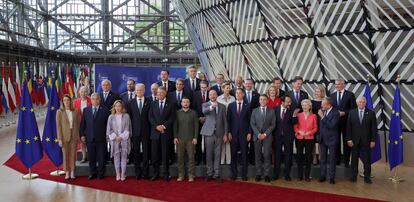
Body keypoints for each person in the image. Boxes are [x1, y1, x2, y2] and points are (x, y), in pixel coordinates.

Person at [346, 96, 377, 184]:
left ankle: (367, 177)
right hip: (354, 140)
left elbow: (373, 128)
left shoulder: (371, 113)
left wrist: (373, 140)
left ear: (366, 103)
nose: (362, 103)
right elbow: (348, 127)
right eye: (360, 102)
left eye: (363, 102)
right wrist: (349, 139)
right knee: (354, 159)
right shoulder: (352, 113)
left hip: (367, 140)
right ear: (357, 103)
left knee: (367, 159)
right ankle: (353, 176)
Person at [80, 93, 111, 180]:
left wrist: (108, 136)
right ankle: (92, 172)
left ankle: (100, 173)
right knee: (91, 156)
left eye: (97, 99)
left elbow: (108, 125)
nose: (95, 100)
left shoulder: (105, 110)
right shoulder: (86, 110)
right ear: (91, 100)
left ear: (100, 100)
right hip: (90, 137)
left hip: (101, 138)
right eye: (93, 99)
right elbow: (83, 124)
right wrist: (82, 135)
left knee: (101, 157)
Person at [148, 86, 176, 182]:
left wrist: (163, 126)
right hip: (155, 133)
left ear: (165, 93)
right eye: (158, 92)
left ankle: (165, 174)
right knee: (155, 154)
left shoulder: (171, 104)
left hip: (165, 132)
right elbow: (150, 117)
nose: (159, 94)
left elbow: (172, 118)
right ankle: (155, 173)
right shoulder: (153, 103)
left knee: (165, 154)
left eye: (161, 92)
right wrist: (157, 126)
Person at [201, 90, 227, 182]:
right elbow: (204, 111)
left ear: (217, 95)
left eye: (214, 94)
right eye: (210, 94)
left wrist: (225, 133)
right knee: (208, 154)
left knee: (218, 154)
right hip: (209, 133)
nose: (212, 96)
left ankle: (217, 174)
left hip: (219, 133)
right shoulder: (205, 104)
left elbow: (225, 121)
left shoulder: (222, 106)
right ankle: (209, 173)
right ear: (208, 96)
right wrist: (212, 106)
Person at [127, 83, 151, 180]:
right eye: (137, 90)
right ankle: (137, 172)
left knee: (146, 152)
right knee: (136, 152)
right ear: (135, 91)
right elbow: (129, 118)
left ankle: (145, 173)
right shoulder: (130, 102)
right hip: (135, 131)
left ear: (144, 91)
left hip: (146, 131)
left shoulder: (150, 101)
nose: (139, 92)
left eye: (141, 90)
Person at [330, 78, 356, 167]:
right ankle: (337, 159)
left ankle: (346, 161)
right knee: (336, 141)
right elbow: (331, 109)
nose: (337, 86)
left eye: (339, 84)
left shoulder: (350, 95)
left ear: (343, 84)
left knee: (346, 141)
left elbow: (353, 109)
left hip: (347, 122)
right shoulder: (332, 95)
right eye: (336, 84)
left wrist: (344, 113)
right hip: (335, 122)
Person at [250, 95, 276, 183]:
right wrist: (258, 134)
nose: (262, 101)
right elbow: (252, 123)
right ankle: (258, 174)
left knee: (266, 155)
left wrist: (265, 134)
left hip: (267, 136)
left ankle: (266, 174)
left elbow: (273, 125)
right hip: (257, 136)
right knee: (257, 156)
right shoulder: (254, 111)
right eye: (261, 99)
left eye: (264, 99)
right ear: (259, 100)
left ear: (267, 101)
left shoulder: (271, 111)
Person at [227, 88, 251, 181]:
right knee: (233, 154)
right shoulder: (231, 105)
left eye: (240, 93)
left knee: (244, 154)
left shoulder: (247, 106)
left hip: (244, 134)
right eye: (236, 93)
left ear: (243, 94)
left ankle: (244, 174)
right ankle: (234, 173)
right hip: (233, 134)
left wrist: (249, 132)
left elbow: (250, 121)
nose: (238, 94)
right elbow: (228, 120)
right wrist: (228, 132)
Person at [273, 95, 299, 181]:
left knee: (288, 155)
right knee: (277, 155)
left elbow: (294, 122)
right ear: (282, 102)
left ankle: (287, 174)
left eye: (290, 101)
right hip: (277, 136)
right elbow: (273, 122)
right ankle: (276, 174)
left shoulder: (291, 110)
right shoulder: (275, 109)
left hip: (288, 136)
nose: (289, 103)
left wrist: (295, 115)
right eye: (288, 101)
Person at [174, 97, 199, 182]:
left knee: (191, 158)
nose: (185, 103)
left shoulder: (193, 113)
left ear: (189, 103)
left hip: (190, 139)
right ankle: (181, 175)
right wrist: (175, 137)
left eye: (187, 102)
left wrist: (195, 137)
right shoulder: (177, 113)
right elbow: (175, 126)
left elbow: (196, 126)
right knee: (180, 158)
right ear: (181, 103)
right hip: (180, 139)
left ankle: (191, 175)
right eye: (184, 102)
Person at [57, 95, 80, 180]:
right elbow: (58, 126)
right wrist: (59, 139)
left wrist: (78, 136)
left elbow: (78, 124)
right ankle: (67, 172)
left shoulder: (75, 111)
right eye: (64, 100)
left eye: (68, 100)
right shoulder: (59, 112)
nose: (66, 102)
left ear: (70, 101)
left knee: (73, 155)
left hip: (73, 136)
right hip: (64, 137)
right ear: (62, 102)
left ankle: (73, 172)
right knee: (65, 155)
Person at [106, 100, 131, 181]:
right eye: (116, 106)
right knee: (116, 157)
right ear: (114, 107)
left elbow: (128, 128)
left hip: (124, 139)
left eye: (119, 106)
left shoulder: (126, 116)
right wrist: (115, 137)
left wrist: (121, 137)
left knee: (124, 157)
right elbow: (109, 129)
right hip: (114, 140)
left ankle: (123, 174)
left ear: (122, 107)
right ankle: (118, 174)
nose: (118, 107)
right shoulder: (111, 117)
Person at [294, 99, 318, 181]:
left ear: (309, 106)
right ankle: (299, 176)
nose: (304, 107)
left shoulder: (313, 116)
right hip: (299, 138)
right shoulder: (298, 115)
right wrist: (298, 131)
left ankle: (307, 176)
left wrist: (310, 132)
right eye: (303, 105)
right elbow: (295, 126)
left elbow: (315, 128)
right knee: (299, 157)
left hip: (309, 138)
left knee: (308, 157)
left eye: (306, 105)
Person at [318, 97, 340, 184]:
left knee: (332, 159)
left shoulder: (336, 113)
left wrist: (323, 117)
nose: (321, 105)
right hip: (322, 138)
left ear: (329, 105)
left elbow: (331, 125)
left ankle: (331, 177)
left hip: (332, 139)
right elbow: (321, 126)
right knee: (323, 159)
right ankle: (322, 176)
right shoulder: (322, 111)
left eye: (323, 104)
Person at [192, 80, 210, 165]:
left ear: (207, 87)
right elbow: (193, 107)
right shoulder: (195, 94)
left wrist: (206, 118)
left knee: (207, 141)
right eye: (201, 87)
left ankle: (206, 159)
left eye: (204, 87)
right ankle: (198, 158)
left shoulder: (211, 94)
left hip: (208, 121)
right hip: (198, 120)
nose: (203, 89)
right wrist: (199, 118)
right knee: (198, 140)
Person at [217, 82, 235, 165]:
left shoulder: (233, 98)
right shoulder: (218, 98)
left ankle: (228, 161)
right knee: (222, 140)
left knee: (228, 141)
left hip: (231, 121)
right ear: (223, 89)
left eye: (229, 88)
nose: (228, 89)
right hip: (221, 122)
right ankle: (221, 160)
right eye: (227, 88)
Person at [73, 86, 91, 163]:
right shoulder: (76, 102)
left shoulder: (91, 100)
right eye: (82, 91)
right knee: (82, 141)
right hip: (80, 124)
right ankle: (84, 157)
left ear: (87, 92)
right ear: (79, 92)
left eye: (85, 91)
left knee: (89, 141)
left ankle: (91, 156)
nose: (83, 93)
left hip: (89, 123)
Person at [244, 79, 259, 165]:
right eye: (247, 83)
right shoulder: (240, 94)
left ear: (252, 84)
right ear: (244, 84)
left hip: (254, 121)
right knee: (244, 142)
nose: (248, 85)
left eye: (250, 83)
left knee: (253, 142)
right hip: (244, 121)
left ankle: (252, 160)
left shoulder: (257, 95)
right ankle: (245, 159)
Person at [311, 85, 326, 165]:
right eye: (316, 91)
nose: (316, 93)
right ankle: (314, 157)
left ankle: (320, 156)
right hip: (313, 123)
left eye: (318, 91)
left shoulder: (325, 101)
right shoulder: (312, 102)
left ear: (322, 92)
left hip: (322, 123)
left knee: (320, 140)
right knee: (313, 141)